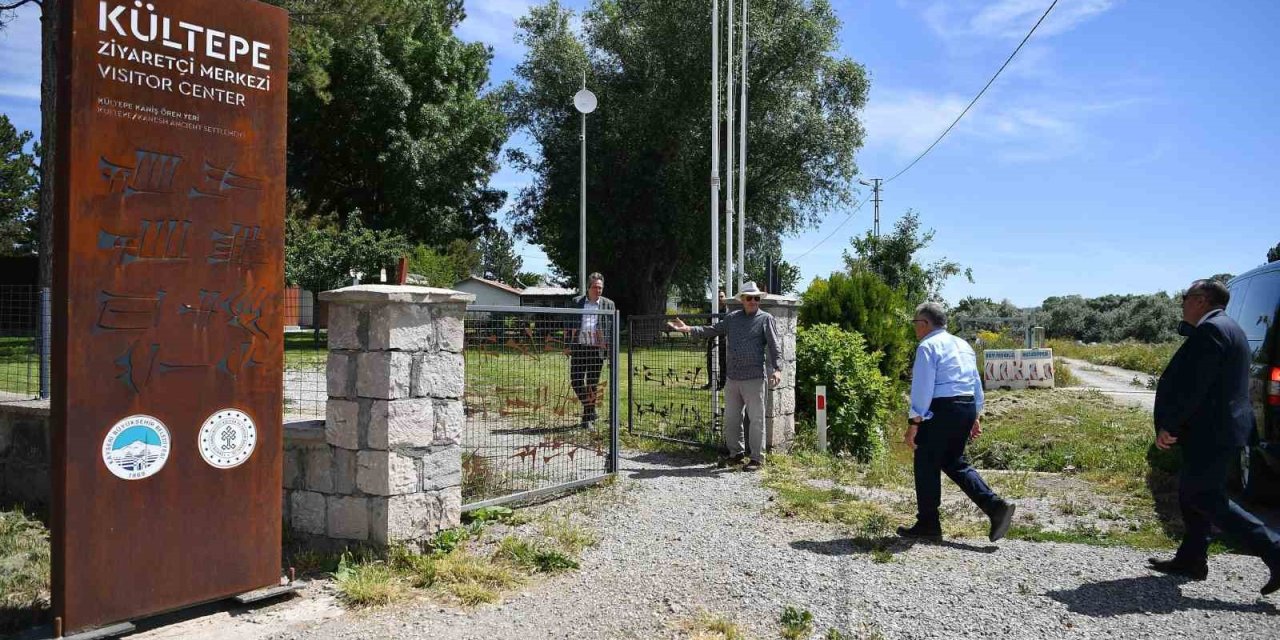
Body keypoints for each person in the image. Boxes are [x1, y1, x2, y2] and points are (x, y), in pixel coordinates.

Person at [1149, 279, 1280, 595]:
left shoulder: (1212, 331)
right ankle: (1191, 559)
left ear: (1200, 300)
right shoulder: (1230, 328)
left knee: (1207, 497)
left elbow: (1196, 387)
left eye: (1185, 297)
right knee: (1191, 493)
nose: (1181, 303)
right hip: (1218, 430)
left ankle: (1274, 549)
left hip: (1212, 432)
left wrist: (1170, 425)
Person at [899, 302, 1015, 542]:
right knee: (954, 462)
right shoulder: (963, 345)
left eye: (915, 324)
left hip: (942, 408)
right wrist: (976, 415)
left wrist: (914, 422)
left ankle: (928, 523)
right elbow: (974, 381)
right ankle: (995, 508)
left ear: (925, 323)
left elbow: (922, 387)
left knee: (925, 462)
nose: (914, 329)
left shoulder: (927, 346)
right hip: (965, 406)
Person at [668, 281, 781, 471]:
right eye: (749, 298)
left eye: (756, 298)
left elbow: (774, 346)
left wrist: (777, 369)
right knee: (731, 419)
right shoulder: (732, 318)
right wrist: (688, 329)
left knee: (756, 420)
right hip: (733, 378)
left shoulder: (766, 319)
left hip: (754, 378)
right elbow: (712, 330)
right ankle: (736, 454)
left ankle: (756, 458)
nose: (753, 301)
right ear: (742, 300)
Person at [570, 273, 615, 427]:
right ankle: (591, 410)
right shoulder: (576, 302)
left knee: (591, 384)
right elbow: (569, 324)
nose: (598, 290)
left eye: (600, 287)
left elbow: (612, 330)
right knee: (576, 381)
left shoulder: (609, 304)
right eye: (595, 287)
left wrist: (611, 353)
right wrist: (568, 344)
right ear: (588, 288)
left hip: (597, 350)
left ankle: (587, 419)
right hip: (579, 348)